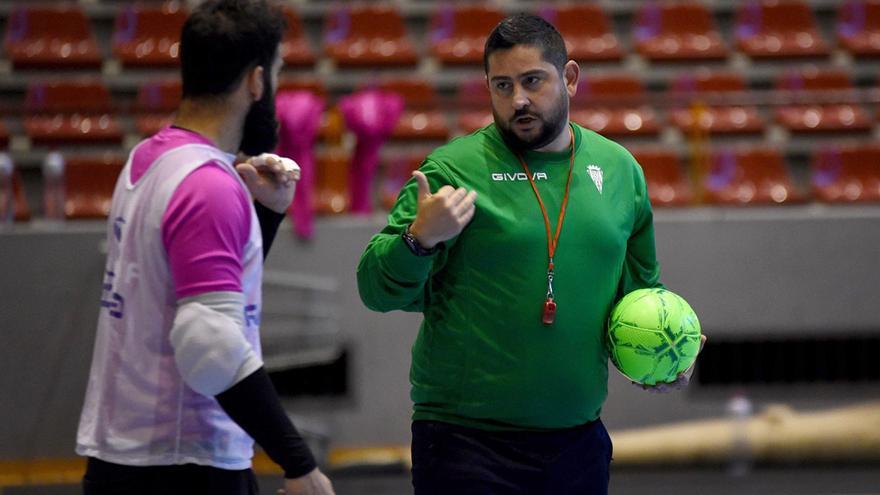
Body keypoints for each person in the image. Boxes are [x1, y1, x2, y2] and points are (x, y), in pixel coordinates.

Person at [357, 13, 703, 495]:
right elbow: (373, 288)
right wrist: (419, 239)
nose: (517, 99)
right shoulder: (452, 170)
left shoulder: (620, 170)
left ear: (570, 78)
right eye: (501, 85)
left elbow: (642, 291)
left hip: (577, 442)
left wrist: (667, 353)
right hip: (464, 443)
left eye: (532, 81)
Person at [75, 1, 334, 494]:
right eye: (275, 75)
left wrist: (266, 214)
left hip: (131, 457)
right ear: (257, 82)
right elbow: (208, 342)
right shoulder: (208, 185)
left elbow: (202, 290)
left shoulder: (149, 160)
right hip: (183, 461)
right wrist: (299, 464)